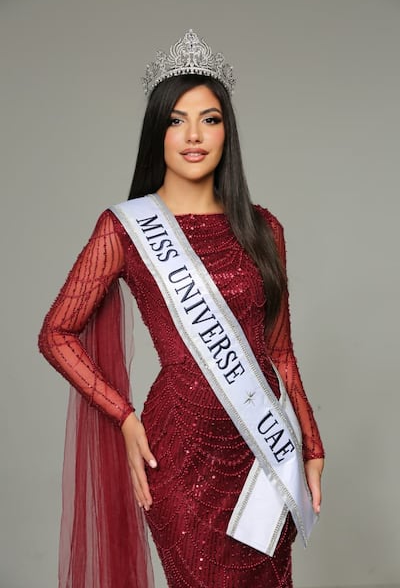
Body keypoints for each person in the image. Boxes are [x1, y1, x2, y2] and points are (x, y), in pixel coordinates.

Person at [39, 30, 324, 588]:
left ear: (226, 132)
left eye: (209, 119)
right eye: (177, 120)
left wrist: (312, 448)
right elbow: (56, 334)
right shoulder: (124, 229)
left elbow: (281, 352)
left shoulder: (265, 229)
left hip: (264, 454)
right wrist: (124, 417)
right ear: (158, 132)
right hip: (178, 451)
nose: (194, 135)